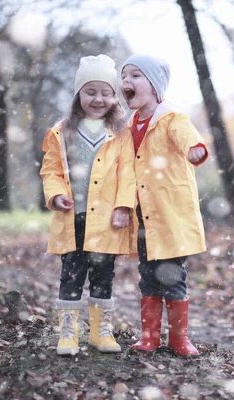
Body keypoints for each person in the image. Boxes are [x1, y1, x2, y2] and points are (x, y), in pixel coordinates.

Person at [40, 54, 136, 356]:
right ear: (78, 94)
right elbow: (51, 169)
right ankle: (68, 333)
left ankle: (100, 332)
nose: (98, 99)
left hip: (106, 220)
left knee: (103, 274)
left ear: (114, 96)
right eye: (90, 92)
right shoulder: (62, 131)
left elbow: (128, 172)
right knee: (71, 274)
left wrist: (123, 206)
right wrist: (55, 194)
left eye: (105, 92)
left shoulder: (121, 133)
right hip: (73, 218)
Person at [120, 54, 208, 357]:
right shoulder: (127, 125)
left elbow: (186, 137)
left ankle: (179, 338)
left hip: (170, 214)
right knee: (148, 275)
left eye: (135, 76)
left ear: (155, 87)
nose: (126, 82)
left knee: (173, 275)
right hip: (143, 215)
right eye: (124, 76)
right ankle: (149, 336)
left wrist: (195, 149)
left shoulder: (171, 119)